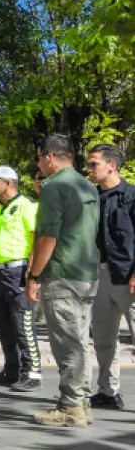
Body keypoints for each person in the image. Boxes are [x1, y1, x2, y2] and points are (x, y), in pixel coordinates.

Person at [28, 135, 101, 427]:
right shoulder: (86, 184)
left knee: (67, 342)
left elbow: (47, 237)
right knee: (80, 340)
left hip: (62, 273)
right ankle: (81, 401)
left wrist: (33, 275)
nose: (39, 166)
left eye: (38, 159)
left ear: (48, 157)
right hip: (86, 272)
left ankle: (71, 407)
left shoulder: (54, 186)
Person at [0, 166, 43, 392]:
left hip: (18, 271)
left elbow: (37, 239)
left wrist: (32, 273)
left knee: (22, 324)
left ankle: (32, 372)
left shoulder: (27, 206)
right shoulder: (0, 210)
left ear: (8, 183)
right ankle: (11, 369)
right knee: (4, 325)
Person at [86, 144, 135, 411]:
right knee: (105, 339)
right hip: (101, 276)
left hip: (128, 276)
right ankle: (107, 391)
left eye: (94, 164)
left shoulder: (131, 196)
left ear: (111, 165)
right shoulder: (92, 199)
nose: (89, 169)